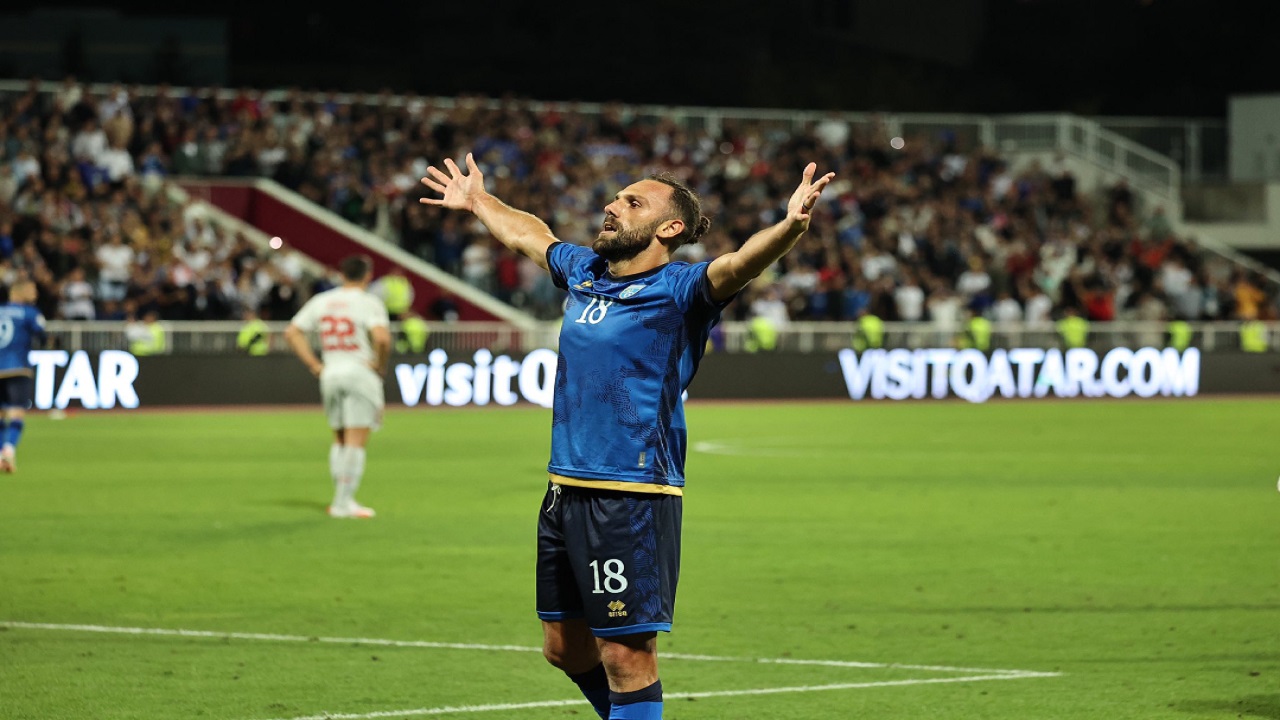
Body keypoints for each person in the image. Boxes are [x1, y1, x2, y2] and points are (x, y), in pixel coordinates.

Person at [421, 153, 833, 720]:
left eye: (632, 202)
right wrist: (477, 201)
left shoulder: (681, 289)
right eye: (616, 197)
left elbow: (737, 265)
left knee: (627, 658)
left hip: (632, 493)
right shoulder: (585, 270)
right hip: (564, 488)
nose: (613, 206)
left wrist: (789, 228)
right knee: (564, 650)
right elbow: (527, 235)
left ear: (670, 229)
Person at [284, 255, 392, 519]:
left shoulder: (322, 301)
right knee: (356, 440)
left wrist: (314, 364)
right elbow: (382, 338)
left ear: (341, 275)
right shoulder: (369, 302)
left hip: (330, 372)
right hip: (359, 372)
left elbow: (292, 332)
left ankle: (341, 500)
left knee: (340, 438)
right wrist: (379, 365)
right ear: (367, 276)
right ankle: (344, 503)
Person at [0, 281, 47, 473]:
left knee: (1, 414)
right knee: (17, 412)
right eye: (32, 289)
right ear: (18, 291)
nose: (35, 293)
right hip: (18, 367)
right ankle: (9, 450)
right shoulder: (29, 312)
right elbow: (42, 335)